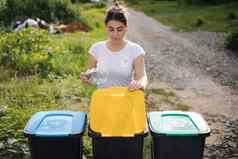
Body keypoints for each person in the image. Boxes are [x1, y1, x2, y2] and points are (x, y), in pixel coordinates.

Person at [80, 2, 147, 91]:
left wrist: (140, 84)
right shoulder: (96, 49)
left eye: (119, 29)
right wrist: (87, 79)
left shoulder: (136, 50)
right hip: (103, 99)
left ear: (126, 27)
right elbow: (90, 76)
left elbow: (142, 77)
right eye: (111, 29)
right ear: (105, 27)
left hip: (126, 99)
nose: (115, 34)